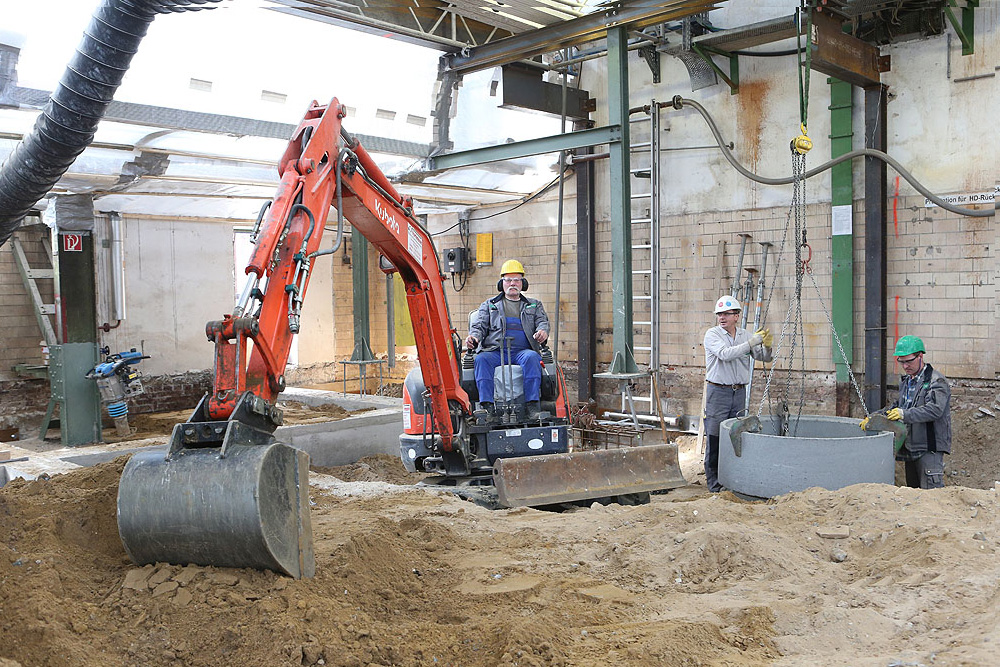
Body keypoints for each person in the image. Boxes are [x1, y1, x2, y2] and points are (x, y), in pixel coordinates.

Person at [702, 294, 772, 493]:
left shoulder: (744, 335)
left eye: (727, 314)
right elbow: (725, 354)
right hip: (718, 392)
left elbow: (764, 358)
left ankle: (732, 478)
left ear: (737, 316)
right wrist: (752, 343)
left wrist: (766, 344)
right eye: (719, 314)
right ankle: (714, 483)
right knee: (715, 436)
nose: (722, 317)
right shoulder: (712, 335)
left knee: (736, 435)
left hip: (738, 392)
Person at [861, 335, 951, 489]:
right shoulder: (907, 381)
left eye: (909, 361)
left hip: (929, 448)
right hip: (911, 447)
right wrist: (873, 418)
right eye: (901, 361)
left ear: (920, 356)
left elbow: (935, 410)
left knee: (931, 496)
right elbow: (897, 405)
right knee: (913, 496)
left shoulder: (936, 381)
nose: (905, 365)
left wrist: (904, 414)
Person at [465, 259, 550, 421]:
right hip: (496, 351)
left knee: (533, 358)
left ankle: (532, 407)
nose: (512, 283)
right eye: (508, 280)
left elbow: (542, 322)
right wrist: (474, 337)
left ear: (523, 283)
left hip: (522, 352)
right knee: (481, 360)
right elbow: (479, 325)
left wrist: (542, 331)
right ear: (501, 283)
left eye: (517, 279)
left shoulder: (534, 305)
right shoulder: (489, 305)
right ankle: (487, 408)